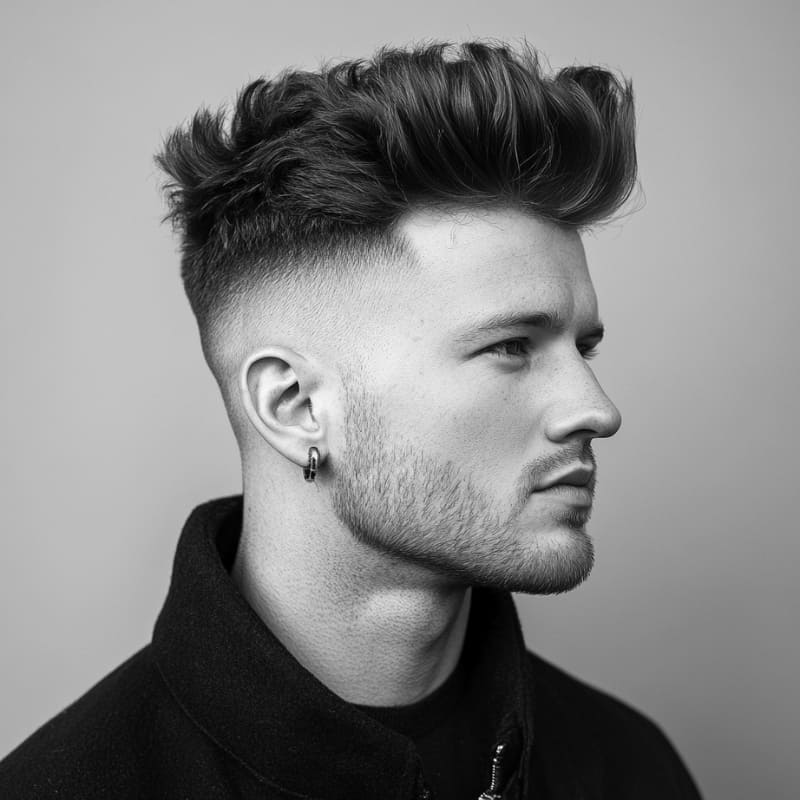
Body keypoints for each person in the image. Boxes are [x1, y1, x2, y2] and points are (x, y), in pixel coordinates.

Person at [0, 41, 703, 799]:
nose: (596, 409)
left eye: (582, 346)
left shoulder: (629, 767)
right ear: (294, 407)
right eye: (509, 347)